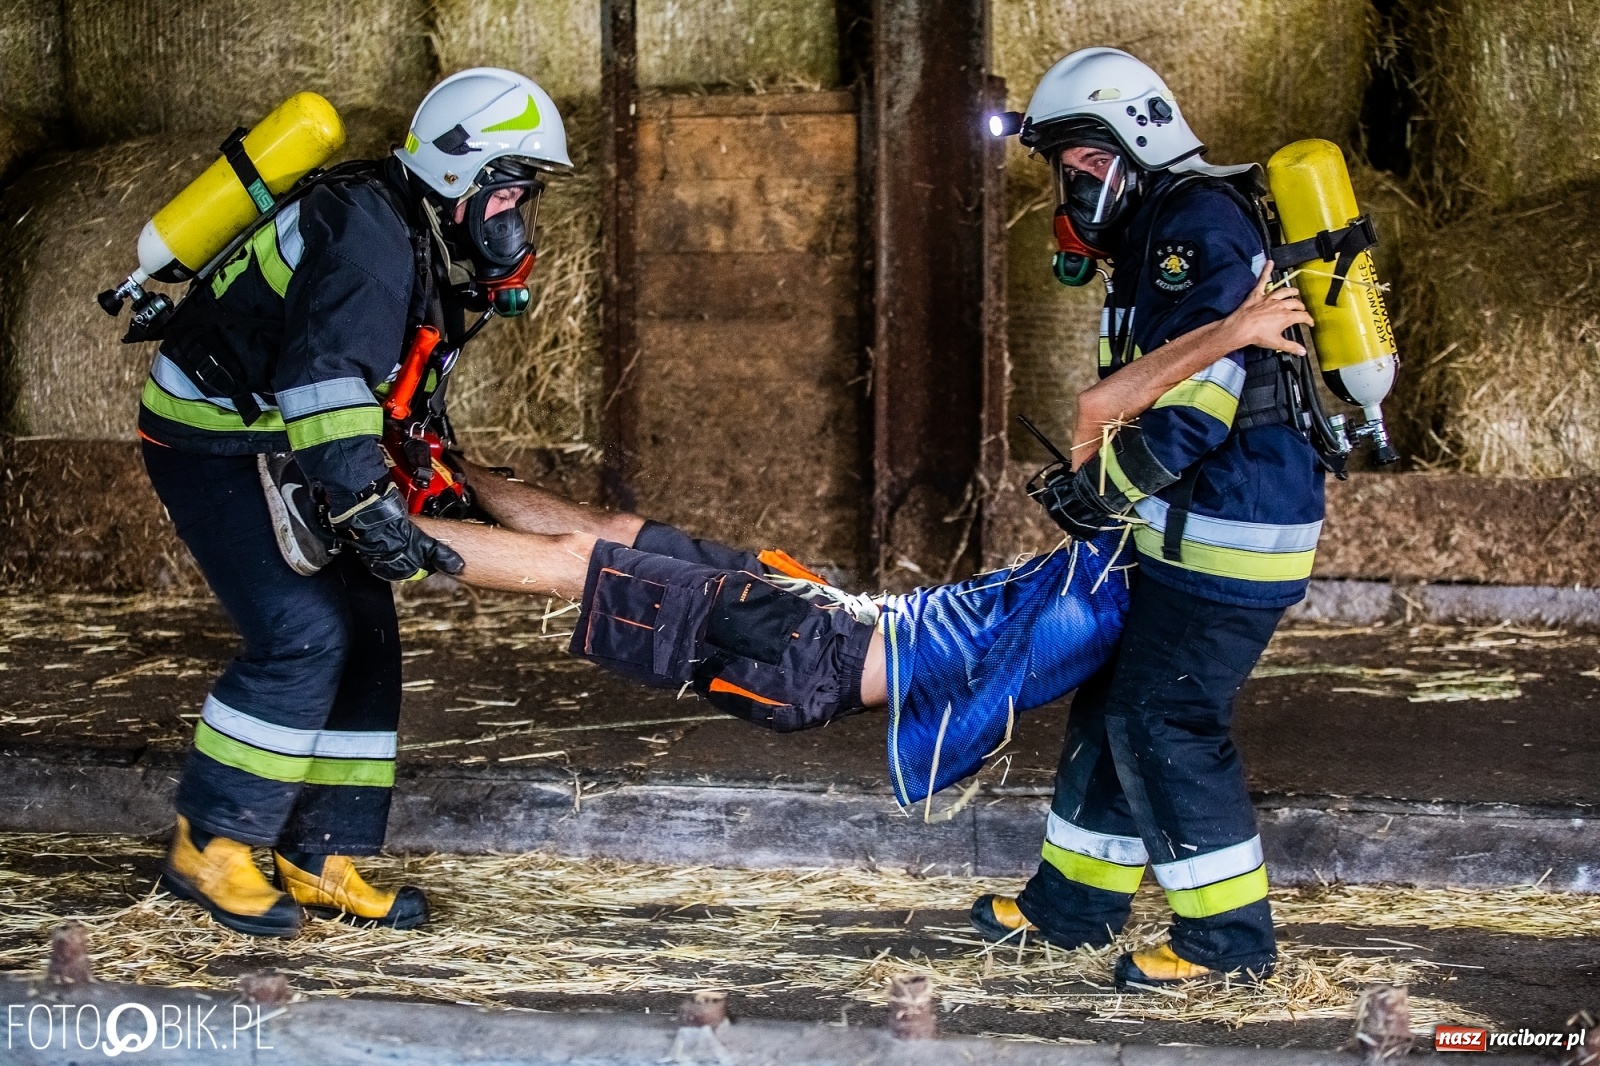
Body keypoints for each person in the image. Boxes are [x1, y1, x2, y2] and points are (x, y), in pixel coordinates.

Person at [405, 242, 1310, 866]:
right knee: (612, 533)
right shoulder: (1136, 563)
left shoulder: (1123, 566)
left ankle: (359, 530)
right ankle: (442, 466)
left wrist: (1230, 332)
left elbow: (1094, 409)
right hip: (824, 618)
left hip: (810, 655)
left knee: (578, 565)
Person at [135, 68, 571, 937]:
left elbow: (392, 388)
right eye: (511, 194)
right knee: (302, 632)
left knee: (367, 630)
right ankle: (210, 843)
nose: (516, 220)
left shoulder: (408, 231)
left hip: (278, 435)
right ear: (461, 175)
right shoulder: (371, 235)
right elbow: (324, 382)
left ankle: (319, 853)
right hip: (214, 438)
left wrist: (422, 482)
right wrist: (364, 503)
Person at [969, 47, 1326, 988]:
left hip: (1229, 532)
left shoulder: (1193, 224)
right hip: (1181, 529)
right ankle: (1071, 908)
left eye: (1087, 161)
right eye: (1062, 167)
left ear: (1137, 142)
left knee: (1167, 716)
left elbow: (1197, 400)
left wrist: (1101, 490)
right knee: (1113, 705)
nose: (1073, 183)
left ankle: (1228, 945)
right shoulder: (1157, 231)